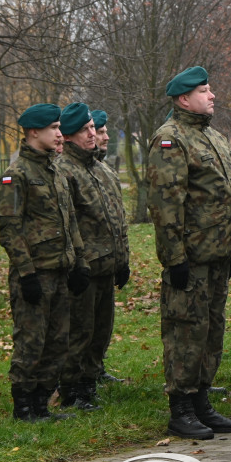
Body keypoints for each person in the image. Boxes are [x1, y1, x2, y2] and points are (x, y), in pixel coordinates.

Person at [147, 66, 231, 440]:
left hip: (218, 255)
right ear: (184, 98)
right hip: (191, 257)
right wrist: (174, 259)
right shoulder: (170, 139)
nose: (213, 96)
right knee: (186, 332)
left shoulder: (215, 138)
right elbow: (166, 203)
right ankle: (181, 407)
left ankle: (202, 401)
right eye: (205, 91)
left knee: (211, 330)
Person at [0, 103, 88, 421]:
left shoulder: (56, 171)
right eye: (53, 128)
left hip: (60, 270)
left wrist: (79, 262)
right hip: (35, 274)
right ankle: (23, 407)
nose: (59, 134)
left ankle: (41, 404)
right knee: (31, 342)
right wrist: (26, 274)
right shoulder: (16, 174)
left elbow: (69, 220)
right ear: (34, 131)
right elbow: (10, 229)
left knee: (57, 341)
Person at [55, 103, 129, 411]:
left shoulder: (102, 169)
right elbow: (65, 222)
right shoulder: (64, 170)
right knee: (79, 333)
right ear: (70, 136)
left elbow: (116, 219)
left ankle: (88, 385)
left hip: (107, 265)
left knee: (101, 330)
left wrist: (123, 259)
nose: (92, 134)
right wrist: (76, 263)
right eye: (85, 130)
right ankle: (71, 391)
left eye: (92, 129)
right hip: (84, 267)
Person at [89, 109, 130, 383]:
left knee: (103, 324)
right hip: (88, 260)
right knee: (84, 324)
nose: (103, 137)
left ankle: (95, 368)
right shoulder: (73, 169)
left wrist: (121, 259)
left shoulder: (105, 170)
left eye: (104, 132)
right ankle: (79, 378)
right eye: (99, 132)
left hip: (107, 259)